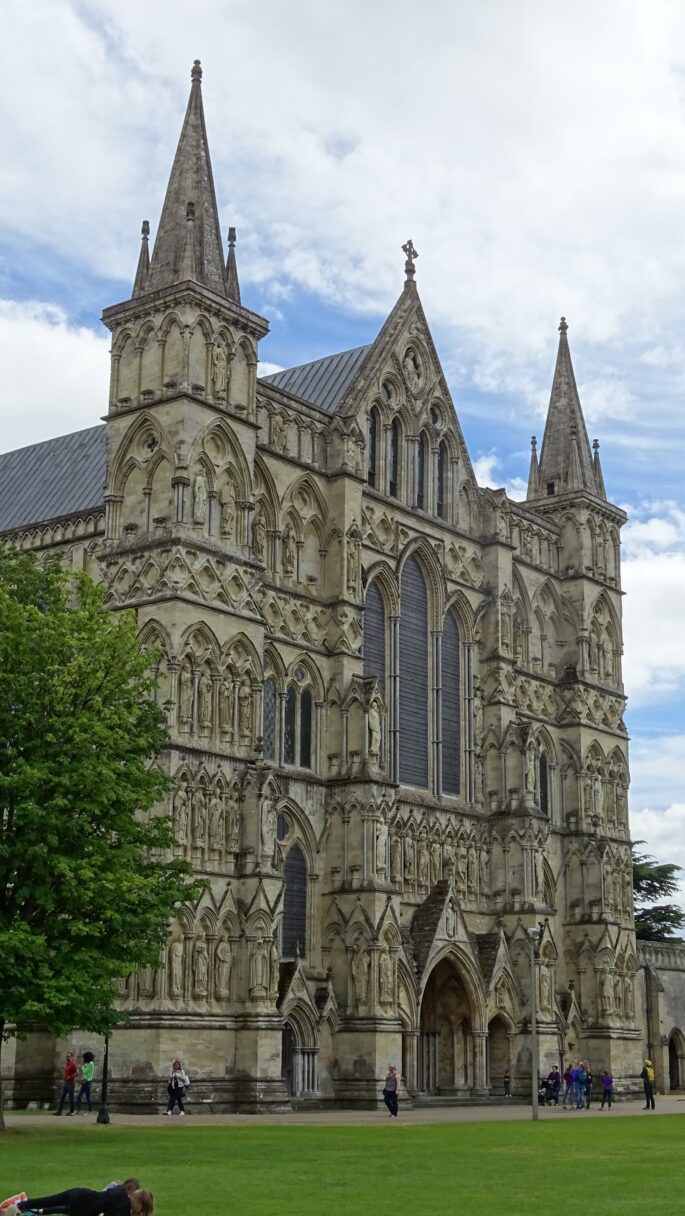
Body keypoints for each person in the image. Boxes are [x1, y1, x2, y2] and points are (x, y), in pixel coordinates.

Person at [14, 1187, 153, 1216]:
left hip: (82, 1193)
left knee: (48, 1200)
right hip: (84, 1210)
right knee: (58, 1207)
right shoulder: (123, 1211)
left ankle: (21, 1205)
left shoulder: (121, 1191)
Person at [54, 1052, 78, 1116]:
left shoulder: (73, 1064)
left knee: (71, 1098)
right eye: (67, 1056)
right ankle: (59, 1112)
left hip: (71, 1083)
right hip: (65, 1083)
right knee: (62, 1097)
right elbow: (66, 1072)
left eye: (69, 1056)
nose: (67, 1057)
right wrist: (64, 1076)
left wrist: (70, 1077)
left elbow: (77, 1073)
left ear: (71, 1057)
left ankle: (71, 1111)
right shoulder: (67, 1064)